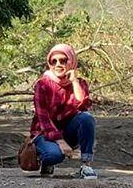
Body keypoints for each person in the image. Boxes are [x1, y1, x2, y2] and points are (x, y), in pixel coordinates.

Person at [29, 43, 97, 179]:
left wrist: (74, 82)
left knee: (87, 118)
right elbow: (43, 119)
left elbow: (83, 106)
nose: (58, 65)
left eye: (63, 60)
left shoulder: (80, 83)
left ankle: (86, 165)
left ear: (71, 62)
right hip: (45, 133)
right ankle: (47, 160)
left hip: (68, 131)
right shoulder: (42, 85)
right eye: (53, 61)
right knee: (54, 155)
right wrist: (60, 142)